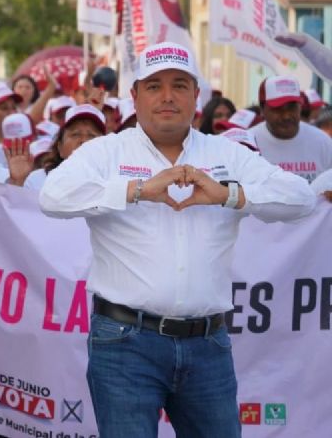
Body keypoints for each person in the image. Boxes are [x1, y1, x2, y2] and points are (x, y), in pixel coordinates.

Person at [39, 42, 314, 438]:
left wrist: (228, 194)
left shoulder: (227, 154)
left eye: (179, 85)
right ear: (134, 96)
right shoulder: (106, 151)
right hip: (123, 343)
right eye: (154, 86)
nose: (167, 96)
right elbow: (53, 196)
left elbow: (300, 199)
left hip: (207, 344)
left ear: (196, 97)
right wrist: (137, 190)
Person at [250, 76, 332, 182]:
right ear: (262, 109)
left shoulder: (322, 142)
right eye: (277, 109)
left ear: (300, 107)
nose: (286, 116)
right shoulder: (247, 143)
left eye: (292, 107)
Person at [21, 104, 106, 191]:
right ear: (60, 147)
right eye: (75, 134)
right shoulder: (38, 181)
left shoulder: (115, 179)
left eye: (92, 135)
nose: (83, 141)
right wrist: (17, 181)